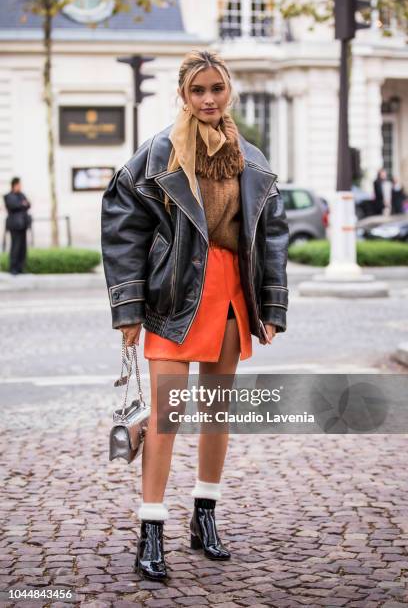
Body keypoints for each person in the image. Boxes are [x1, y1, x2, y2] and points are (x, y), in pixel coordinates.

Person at [101, 50, 289, 581]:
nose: (208, 99)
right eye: (198, 90)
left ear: (228, 91)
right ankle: (151, 528)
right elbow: (122, 229)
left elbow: (272, 235)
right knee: (166, 416)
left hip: (231, 294)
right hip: (174, 294)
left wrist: (270, 306)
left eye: (217, 89)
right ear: (183, 95)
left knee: (215, 413)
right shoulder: (157, 154)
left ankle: (205, 516)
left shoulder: (250, 157)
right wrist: (128, 307)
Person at [3, 177, 31, 275]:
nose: (20, 186)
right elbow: (13, 206)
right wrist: (22, 204)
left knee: (22, 248)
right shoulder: (8, 196)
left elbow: (28, 204)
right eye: (19, 184)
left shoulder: (21, 195)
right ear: (14, 185)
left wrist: (23, 204)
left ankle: (20, 268)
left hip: (23, 225)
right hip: (14, 225)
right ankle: (13, 268)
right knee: (15, 246)